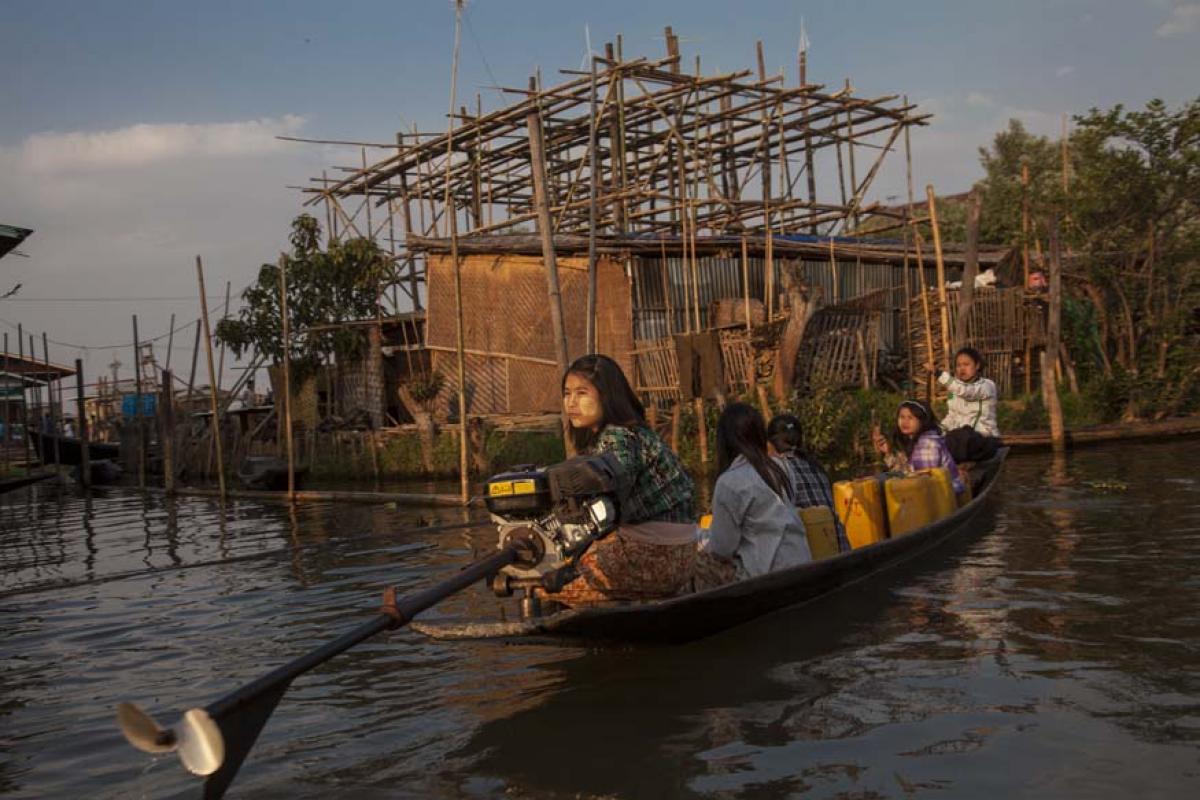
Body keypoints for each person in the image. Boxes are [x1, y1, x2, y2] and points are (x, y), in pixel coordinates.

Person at [555, 354, 697, 606]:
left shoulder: (616, 438)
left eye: (582, 393)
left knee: (544, 585)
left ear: (606, 396)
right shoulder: (635, 432)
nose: (571, 403)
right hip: (683, 553)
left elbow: (615, 482)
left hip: (656, 555)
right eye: (567, 394)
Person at [696, 403, 812, 588]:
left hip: (765, 577)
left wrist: (699, 539)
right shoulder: (782, 467)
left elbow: (722, 550)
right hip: (801, 563)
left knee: (695, 563)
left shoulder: (729, 482)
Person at [766, 414, 850, 553]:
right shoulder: (816, 467)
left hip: (813, 556)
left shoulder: (777, 471)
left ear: (770, 443)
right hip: (840, 546)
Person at [872, 399, 965, 495]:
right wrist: (888, 453)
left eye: (910, 418)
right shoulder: (916, 440)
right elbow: (908, 471)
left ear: (922, 421)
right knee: (881, 479)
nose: (905, 422)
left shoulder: (927, 444)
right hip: (933, 490)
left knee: (881, 482)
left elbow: (921, 480)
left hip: (943, 494)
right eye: (902, 417)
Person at [933, 346, 1001, 464]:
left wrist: (939, 374)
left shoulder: (987, 386)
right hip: (960, 441)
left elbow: (966, 392)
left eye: (966, 364)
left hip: (984, 439)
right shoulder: (954, 390)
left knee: (963, 435)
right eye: (958, 365)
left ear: (977, 365)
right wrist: (939, 430)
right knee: (934, 438)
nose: (961, 369)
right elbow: (952, 416)